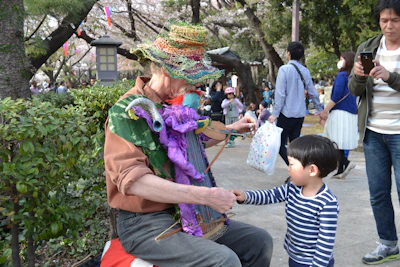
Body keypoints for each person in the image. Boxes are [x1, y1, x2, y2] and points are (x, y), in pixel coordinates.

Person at [104, 21, 273, 267]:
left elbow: (196, 137)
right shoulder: (127, 111)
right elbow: (134, 180)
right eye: (191, 77)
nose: (196, 86)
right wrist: (204, 196)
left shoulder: (174, 107)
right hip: (144, 223)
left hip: (188, 212)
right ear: (164, 70)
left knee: (260, 242)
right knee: (224, 261)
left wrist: (233, 129)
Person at [231, 135, 339, 267]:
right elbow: (270, 195)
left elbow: (325, 243)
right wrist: (245, 196)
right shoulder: (292, 188)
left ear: (312, 170)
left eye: (292, 164)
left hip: (314, 262)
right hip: (295, 256)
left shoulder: (327, 203)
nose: (288, 169)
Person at [348, 0, 400, 264]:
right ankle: (388, 244)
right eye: (384, 20)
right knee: (378, 193)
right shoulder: (368, 47)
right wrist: (358, 75)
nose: (388, 25)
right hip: (374, 134)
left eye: (395, 20)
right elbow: (354, 91)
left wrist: (389, 76)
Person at [268, 42, 323, 172]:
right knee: (295, 145)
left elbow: (280, 93)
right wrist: (320, 109)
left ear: (288, 53)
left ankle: (297, 171)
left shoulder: (284, 69)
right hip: (299, 114)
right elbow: (312, 92)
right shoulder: (305, 71)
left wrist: (275, 113)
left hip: (286, 113)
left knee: (280, 145)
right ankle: (298, 170)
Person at [319, 51, 358, 179]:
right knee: (339, 141)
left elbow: (336, 96)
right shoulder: (354, 76)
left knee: (333, 140)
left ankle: (345, 163)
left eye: (342, 59)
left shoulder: (342, 76)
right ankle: (341, 168)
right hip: (351, 112)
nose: (340, 61)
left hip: (339, 112)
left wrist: (326, 111)